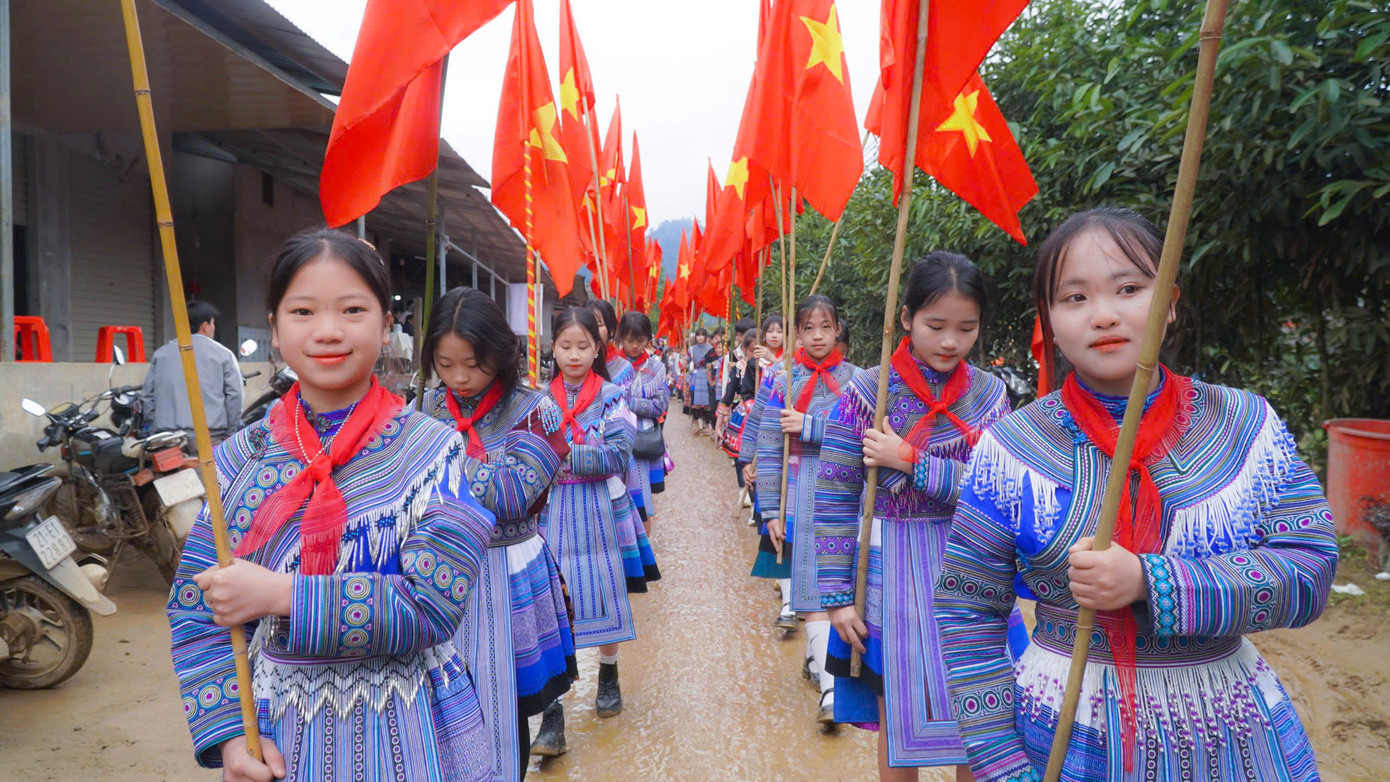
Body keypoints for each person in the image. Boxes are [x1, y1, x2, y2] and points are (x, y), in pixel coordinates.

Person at [935, 207, 1337, 782]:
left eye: (1128, 288)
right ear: (1047, 319)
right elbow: (966, 610)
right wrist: (1001, 763)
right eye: (1074, 298)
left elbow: (1312, 570)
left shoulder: (1246, 425)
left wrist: (1152, 582)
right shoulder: (1010, 448)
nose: (1103, 315)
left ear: (1169, 300)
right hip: (1062, 728)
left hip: (1228, 730)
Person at [168, 228, 494, 782]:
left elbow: (432, 603)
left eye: (351, 309)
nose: (326, 331)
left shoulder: (434, 451)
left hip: (415, 728)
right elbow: (198, 609)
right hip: (278, 737)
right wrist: (228, 740)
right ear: (273, 328)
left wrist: (279, 594)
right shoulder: (240, 459)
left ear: (387, 326)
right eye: (301, 311)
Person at [816, 252, 1011, 781]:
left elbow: (1004, 492)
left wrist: (913, 462)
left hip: (973, 569)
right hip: (888, 570)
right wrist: (835, 599)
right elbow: (833, 494)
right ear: (905, 319)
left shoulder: (991, 397)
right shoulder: (866, 393)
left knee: (983, 715)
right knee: (897, 711)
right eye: (936, 325)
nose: (950, 341)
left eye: (966, 328)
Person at [420, 287, 576, 778]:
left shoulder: (536, 410)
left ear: (500, 355)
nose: (460, 378)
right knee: (442, 700)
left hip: (507, 571)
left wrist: (426, 459)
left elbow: (513, 491)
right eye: (445, 364)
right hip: (437, 572)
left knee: (505, 698)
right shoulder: (425, 406)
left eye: (473, 363)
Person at [536, 307, 642, 750]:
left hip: (602, 510)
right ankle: (552, 711)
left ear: (598, 348)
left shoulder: (615, 395)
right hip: (550, 513)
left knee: (604, 592)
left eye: (583, 346)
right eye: (565, 346)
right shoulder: (538, 399)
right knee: (547, 603)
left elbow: (619, 455)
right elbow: (526, 456)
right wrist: (576, 454)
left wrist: (558, 457)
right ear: (553, 349)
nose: (574, 354)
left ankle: (609, 674)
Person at [754, 295, 859, 723]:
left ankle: (822, 663)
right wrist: (770, 510)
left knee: (845, 587)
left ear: (837, 332)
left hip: (847, 492)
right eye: (809, 328)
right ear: (798, 333)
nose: (817, 336)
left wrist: (811, 426)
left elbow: (866, 435)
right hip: (800, 488)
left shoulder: (860, 380)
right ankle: (830, 692)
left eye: (826, 327)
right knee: (812, 589)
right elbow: (767, 443)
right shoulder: (782, 380)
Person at [586, 300, 661, 591]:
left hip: (617, 457)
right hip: (581, 464)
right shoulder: (573, 366)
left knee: (626, 515)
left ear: (611, 330)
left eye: (600, 323)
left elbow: (627, 414)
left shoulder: (622, 369)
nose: (593, 329)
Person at [141, 300, 243, 444]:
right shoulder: (223, 354)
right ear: (205, 326)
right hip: (208, 438)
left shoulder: (161, 354)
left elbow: (147, 397)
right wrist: (230, 433)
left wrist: (155, 429)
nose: (214, 328)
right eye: (213, 323)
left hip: (168, 439)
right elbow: (235, 397)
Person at [617, 311, 670, 519]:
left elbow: (660, 405)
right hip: (614, 437)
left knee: (641, 502)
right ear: (621, 337)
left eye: (640, 340)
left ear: (648, 339)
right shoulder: (609, 365)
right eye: (629, 340)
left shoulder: (656, 367)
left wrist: (628, 403)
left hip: (641, 439)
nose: (634, 346)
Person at [687, 329, 712, 433]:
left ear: (706, 337)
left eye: (702, 335)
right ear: (695, 337)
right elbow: (687, 364)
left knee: (707, 403)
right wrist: (688, 366)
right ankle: (696, 422)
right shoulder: (691, 350)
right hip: (696, 377)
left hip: (707, 376)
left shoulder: (711, 349)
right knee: (696, 402)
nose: (700, 337)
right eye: (698, 335)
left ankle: (707, 424)